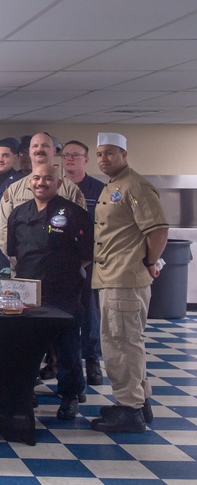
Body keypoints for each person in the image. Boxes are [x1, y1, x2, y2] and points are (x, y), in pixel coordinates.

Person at [90, 133, 168, 433]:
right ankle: (139, 399)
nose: (103, 159)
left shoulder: (136, 186)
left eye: (110, 153)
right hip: (111, 276)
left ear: (124, 154)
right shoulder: (114, 186)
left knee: (119, 344)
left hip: (124, 278)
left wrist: (149, 263)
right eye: (99, 154)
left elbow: (158, 230)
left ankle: (129, 409)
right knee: (128, 342)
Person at [8, 163, 93, 420]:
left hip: (63, 292)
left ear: (58, 183)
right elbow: (13, 252)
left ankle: (69, 396)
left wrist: (62, 270)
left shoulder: (74, 212)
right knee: (26, 347)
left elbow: (87, 254)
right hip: (27, 291)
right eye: (36, 178)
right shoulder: (19, 212)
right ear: (29, 182)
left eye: (47, 179)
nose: (41, 182)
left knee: (67, 348)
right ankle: (25, 392)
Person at [0, 132, 85, 273]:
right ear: (29, 152)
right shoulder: (14, 190)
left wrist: (69, 266)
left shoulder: (70, 189)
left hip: (62, 275)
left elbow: (83, 235)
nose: (40, 149)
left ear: (54, 151)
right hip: (24, 271)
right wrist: (23, 263)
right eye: (35, 146)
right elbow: (4, 233)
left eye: (45, 146)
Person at [62, 139, 108, 386]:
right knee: (61, 312)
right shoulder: (54, 187)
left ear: (86, 160)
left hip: (90, 261)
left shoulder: (99, 190)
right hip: (60, 262)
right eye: (66, 155)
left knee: (90, 311)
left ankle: (92, 359)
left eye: (75, 155)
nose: (70, 159)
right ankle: (57, 361)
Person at [0, 138, 24, 273]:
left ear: (15, 157)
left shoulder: (20, 182)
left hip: (6, 239)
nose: (0, 159)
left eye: (5, 155)